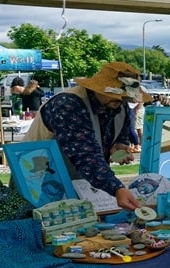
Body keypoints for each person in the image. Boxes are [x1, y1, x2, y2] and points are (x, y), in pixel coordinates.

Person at [22, 62, 151, 211]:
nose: (120, 100)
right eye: (115, 95)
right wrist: (117, 188)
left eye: (125, 96)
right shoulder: (67, 104)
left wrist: (118, 147)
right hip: (38, 180)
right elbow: (84, 154)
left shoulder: (119, 106)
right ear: (98, 88)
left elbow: (120, 137)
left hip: (83, 184)